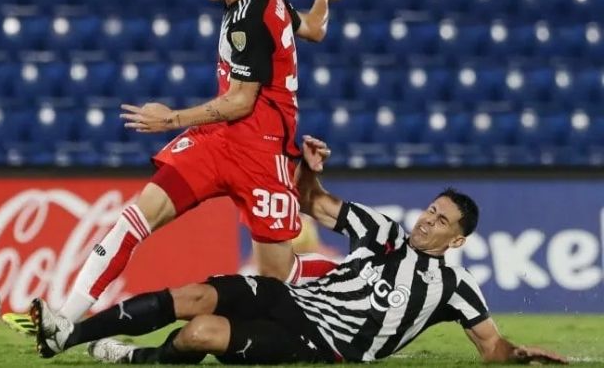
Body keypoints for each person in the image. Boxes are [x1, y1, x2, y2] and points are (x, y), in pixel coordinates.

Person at [3, 0, 350, 335]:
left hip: (261, 152)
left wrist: (170, 119)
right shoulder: (268, 0)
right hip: (219, 141)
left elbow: (240, 101)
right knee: (136, 217)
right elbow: (315, 27)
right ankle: (63, 318)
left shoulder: (249, 19)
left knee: (276, 279)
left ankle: (359, 280)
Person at [29, 136, 567, 365]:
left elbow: (489, 346)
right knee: (192, 295)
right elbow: (314, 202)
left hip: (321, 343)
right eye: (431, 210)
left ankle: (134, 356)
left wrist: (515, 354)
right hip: (292, 297)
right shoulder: (382, 231)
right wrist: (308, 163)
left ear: (459, 239)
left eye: (441, 220)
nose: (428, 220)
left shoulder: (455, 287)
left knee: (200, 335)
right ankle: (69, 333)